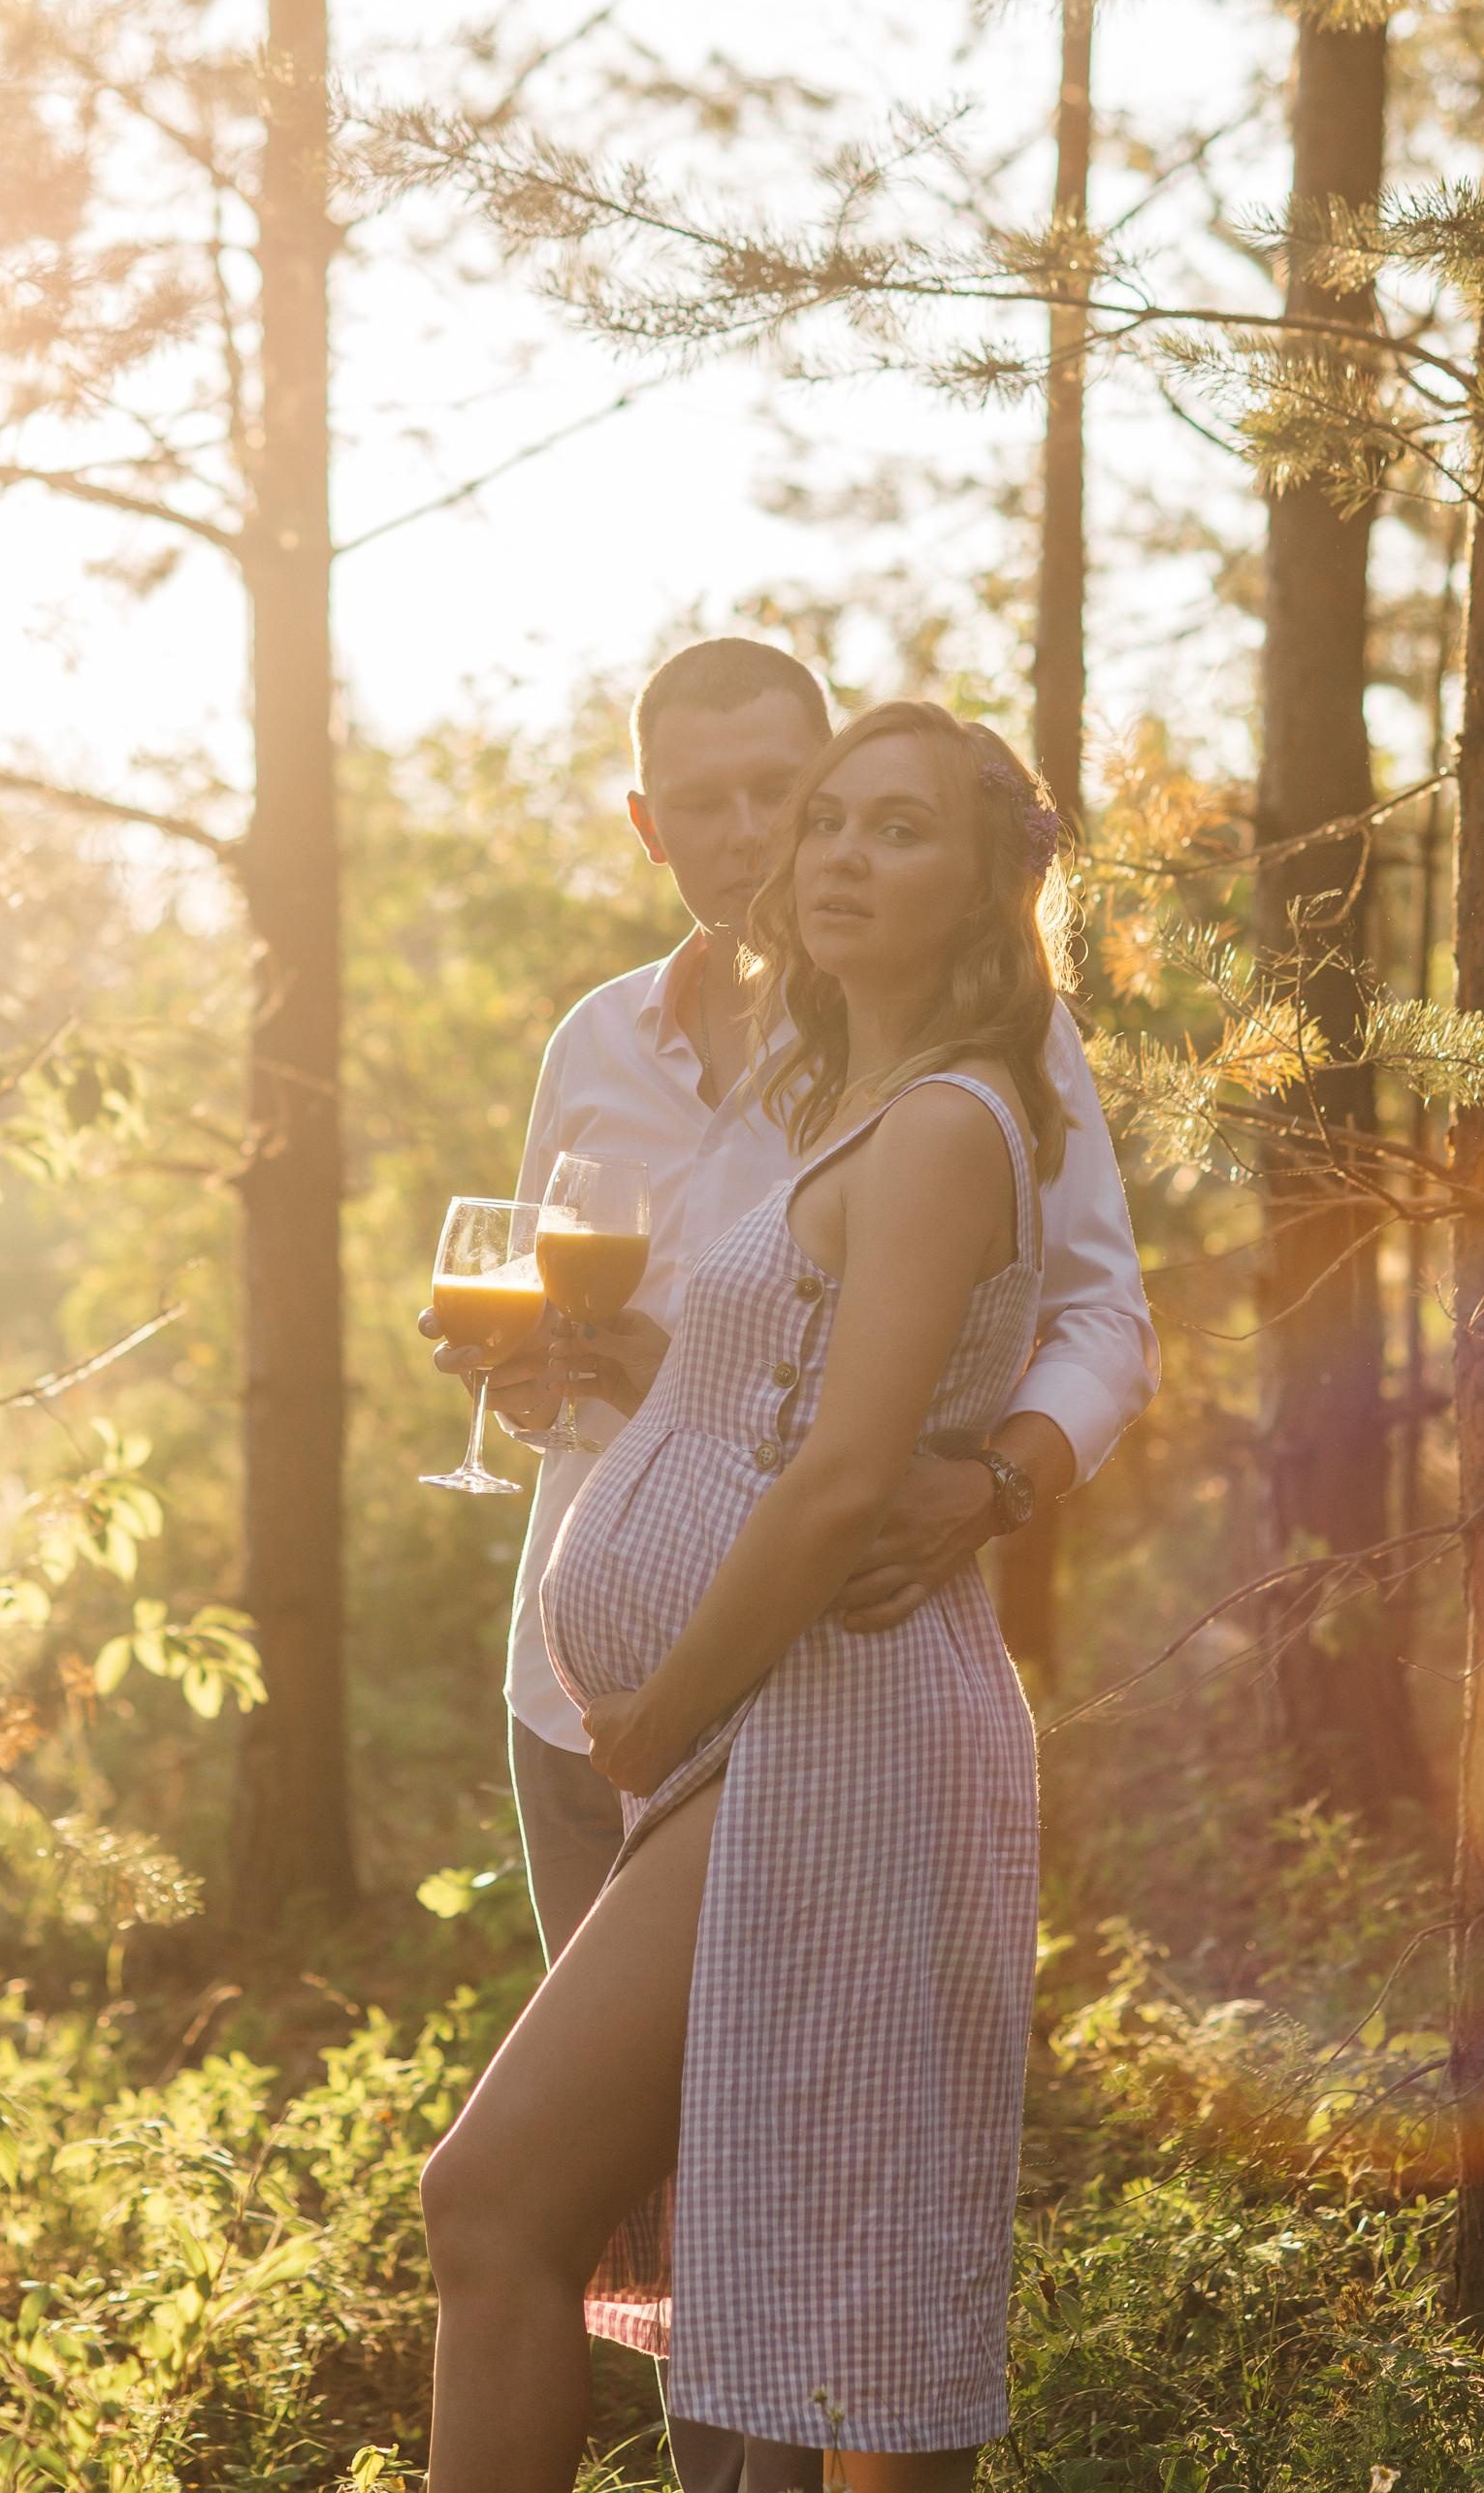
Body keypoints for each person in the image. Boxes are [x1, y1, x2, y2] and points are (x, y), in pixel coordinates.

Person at [420, 646, 1156, 2491]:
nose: (782, 841)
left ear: (968, 874)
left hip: (777, 1713)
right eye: (748, 809)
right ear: (650, 826)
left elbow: (1038, 1351)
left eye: (821, 803)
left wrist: (989, 1480)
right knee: (674, 2224)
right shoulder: (623, 1045)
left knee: (797, 2249)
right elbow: (739, 1384)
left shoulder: (948, 1086)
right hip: (591, 1709)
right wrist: (556, 1377)